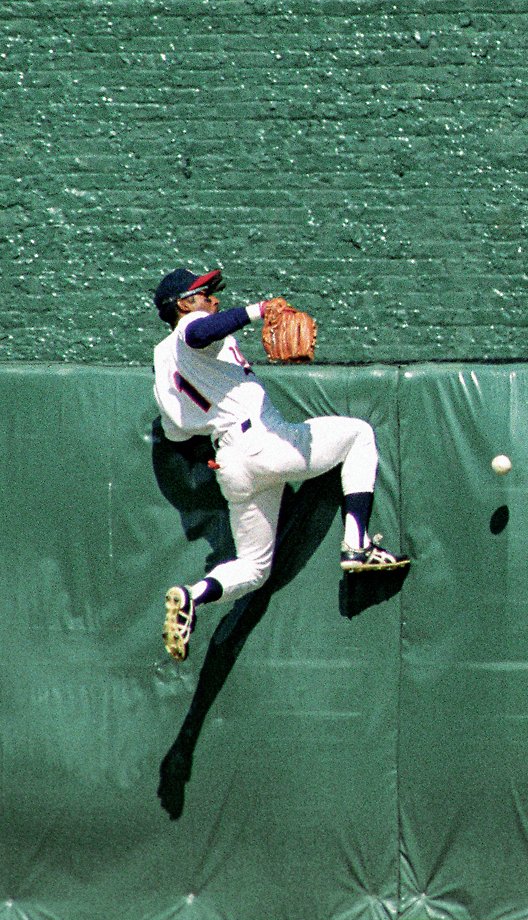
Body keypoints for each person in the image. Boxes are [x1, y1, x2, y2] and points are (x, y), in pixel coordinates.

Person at [152, 265, 405, 662]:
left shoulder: (163, 362)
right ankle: (357, 545)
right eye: (204, 294)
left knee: (253, 568)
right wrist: (260, 309)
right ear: (184, 304)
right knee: (358, 434)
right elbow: (197, 331)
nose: (213, 299)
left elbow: (176, 433)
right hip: (265, 442)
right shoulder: (192, 329)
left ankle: (193, 596)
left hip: (230, 462)